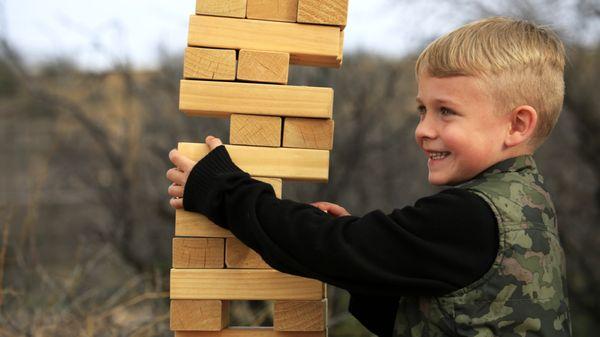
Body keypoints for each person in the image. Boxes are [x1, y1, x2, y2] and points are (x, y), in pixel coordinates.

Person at [166, 16, 571, 337]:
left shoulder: (471, 217)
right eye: (422, 110)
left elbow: (328, 247)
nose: (423, 129)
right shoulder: (524, 201)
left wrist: (221, 188)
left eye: (446, 111)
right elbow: (447, 313)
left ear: (517, 125)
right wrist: (362, 266)